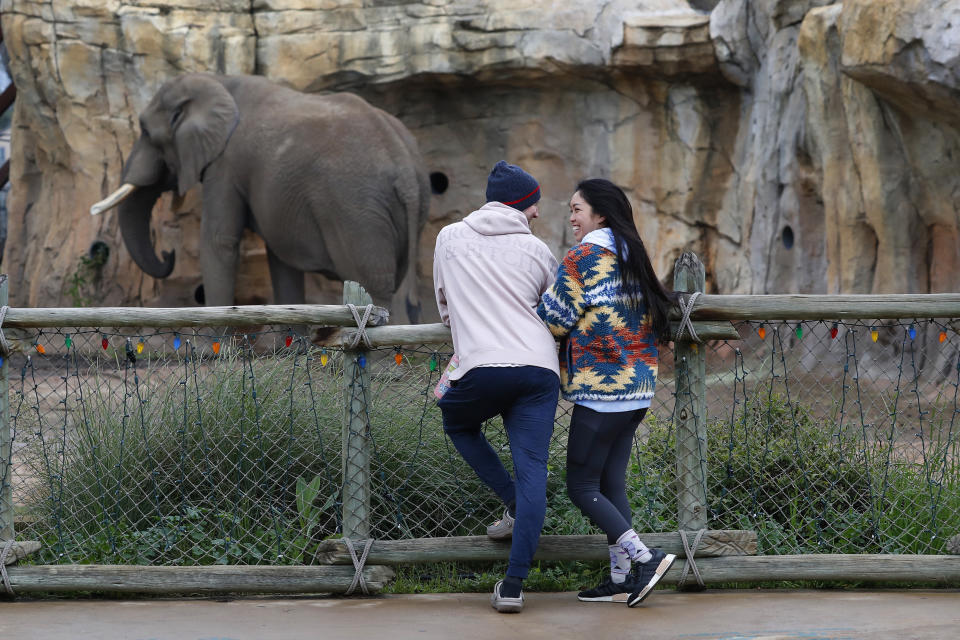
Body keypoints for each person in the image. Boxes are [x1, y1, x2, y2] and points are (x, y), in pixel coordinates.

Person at [538, 178, 677, 607]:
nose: (572, 219)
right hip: (638, 389)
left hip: (602, 391)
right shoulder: (632, 255)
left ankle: (644, 557)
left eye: (577, 209)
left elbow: (556, 318)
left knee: (581, 485)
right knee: (610, 482)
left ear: (599, 213)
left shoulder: (584, 257)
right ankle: (621, 577)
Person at [433, 161, 561, 613]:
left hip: (481, 367)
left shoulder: (448, 238)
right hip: (538, 370)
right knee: (533, 471)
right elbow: (553, 311)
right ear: (522, 205)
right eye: (534, 205)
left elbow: (447, 311)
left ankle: (509, 500)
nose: (539, 214)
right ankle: (513, 586)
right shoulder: (538, 250)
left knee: (457, 423)